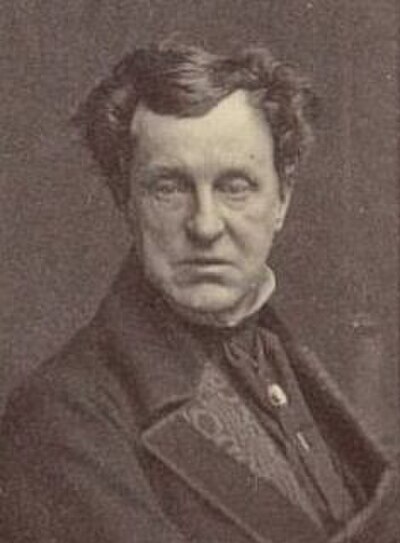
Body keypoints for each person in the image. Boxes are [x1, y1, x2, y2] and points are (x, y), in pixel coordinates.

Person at [0, 41, 398, 543]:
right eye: (169, 187)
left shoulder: (291, 359)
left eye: (235, 186)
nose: (205, 225)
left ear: (282, 199)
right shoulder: (60, 418)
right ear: (126, 199)